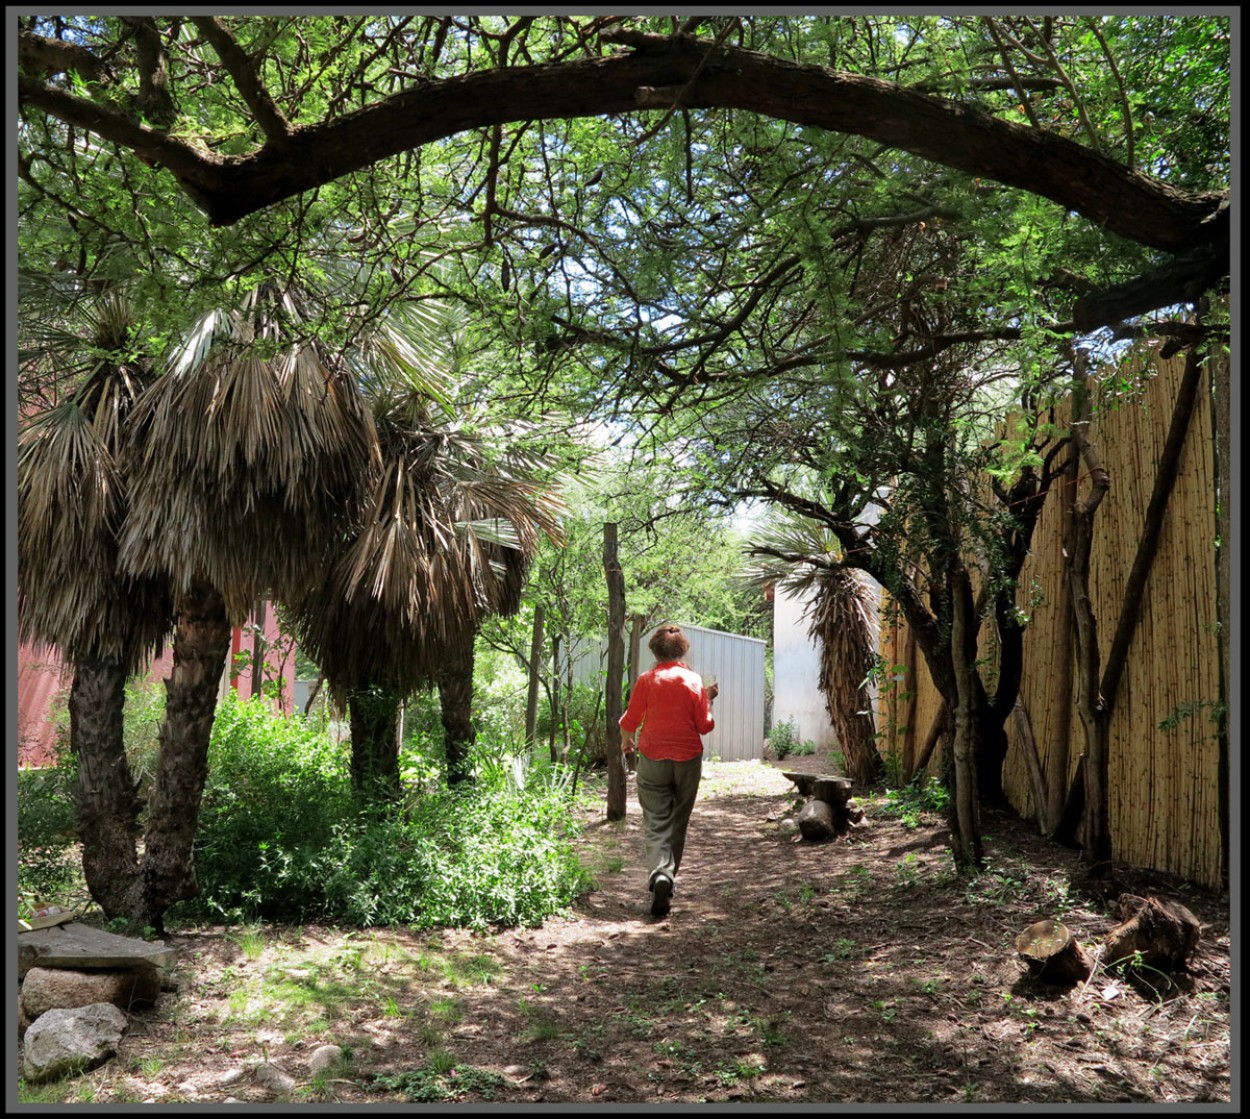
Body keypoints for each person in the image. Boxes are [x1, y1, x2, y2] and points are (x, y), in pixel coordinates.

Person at [619, 623, 719, 918]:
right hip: (688, 759)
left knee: (656, 819)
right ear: (683, 650)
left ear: (653, 651)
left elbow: (628, 722)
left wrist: (628, 744)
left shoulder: (647, 680)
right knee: (678, 820)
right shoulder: (693, 681)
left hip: (653, 757)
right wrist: (708, 701)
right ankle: (668, 876)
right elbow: (704, 726)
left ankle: (661, 874)